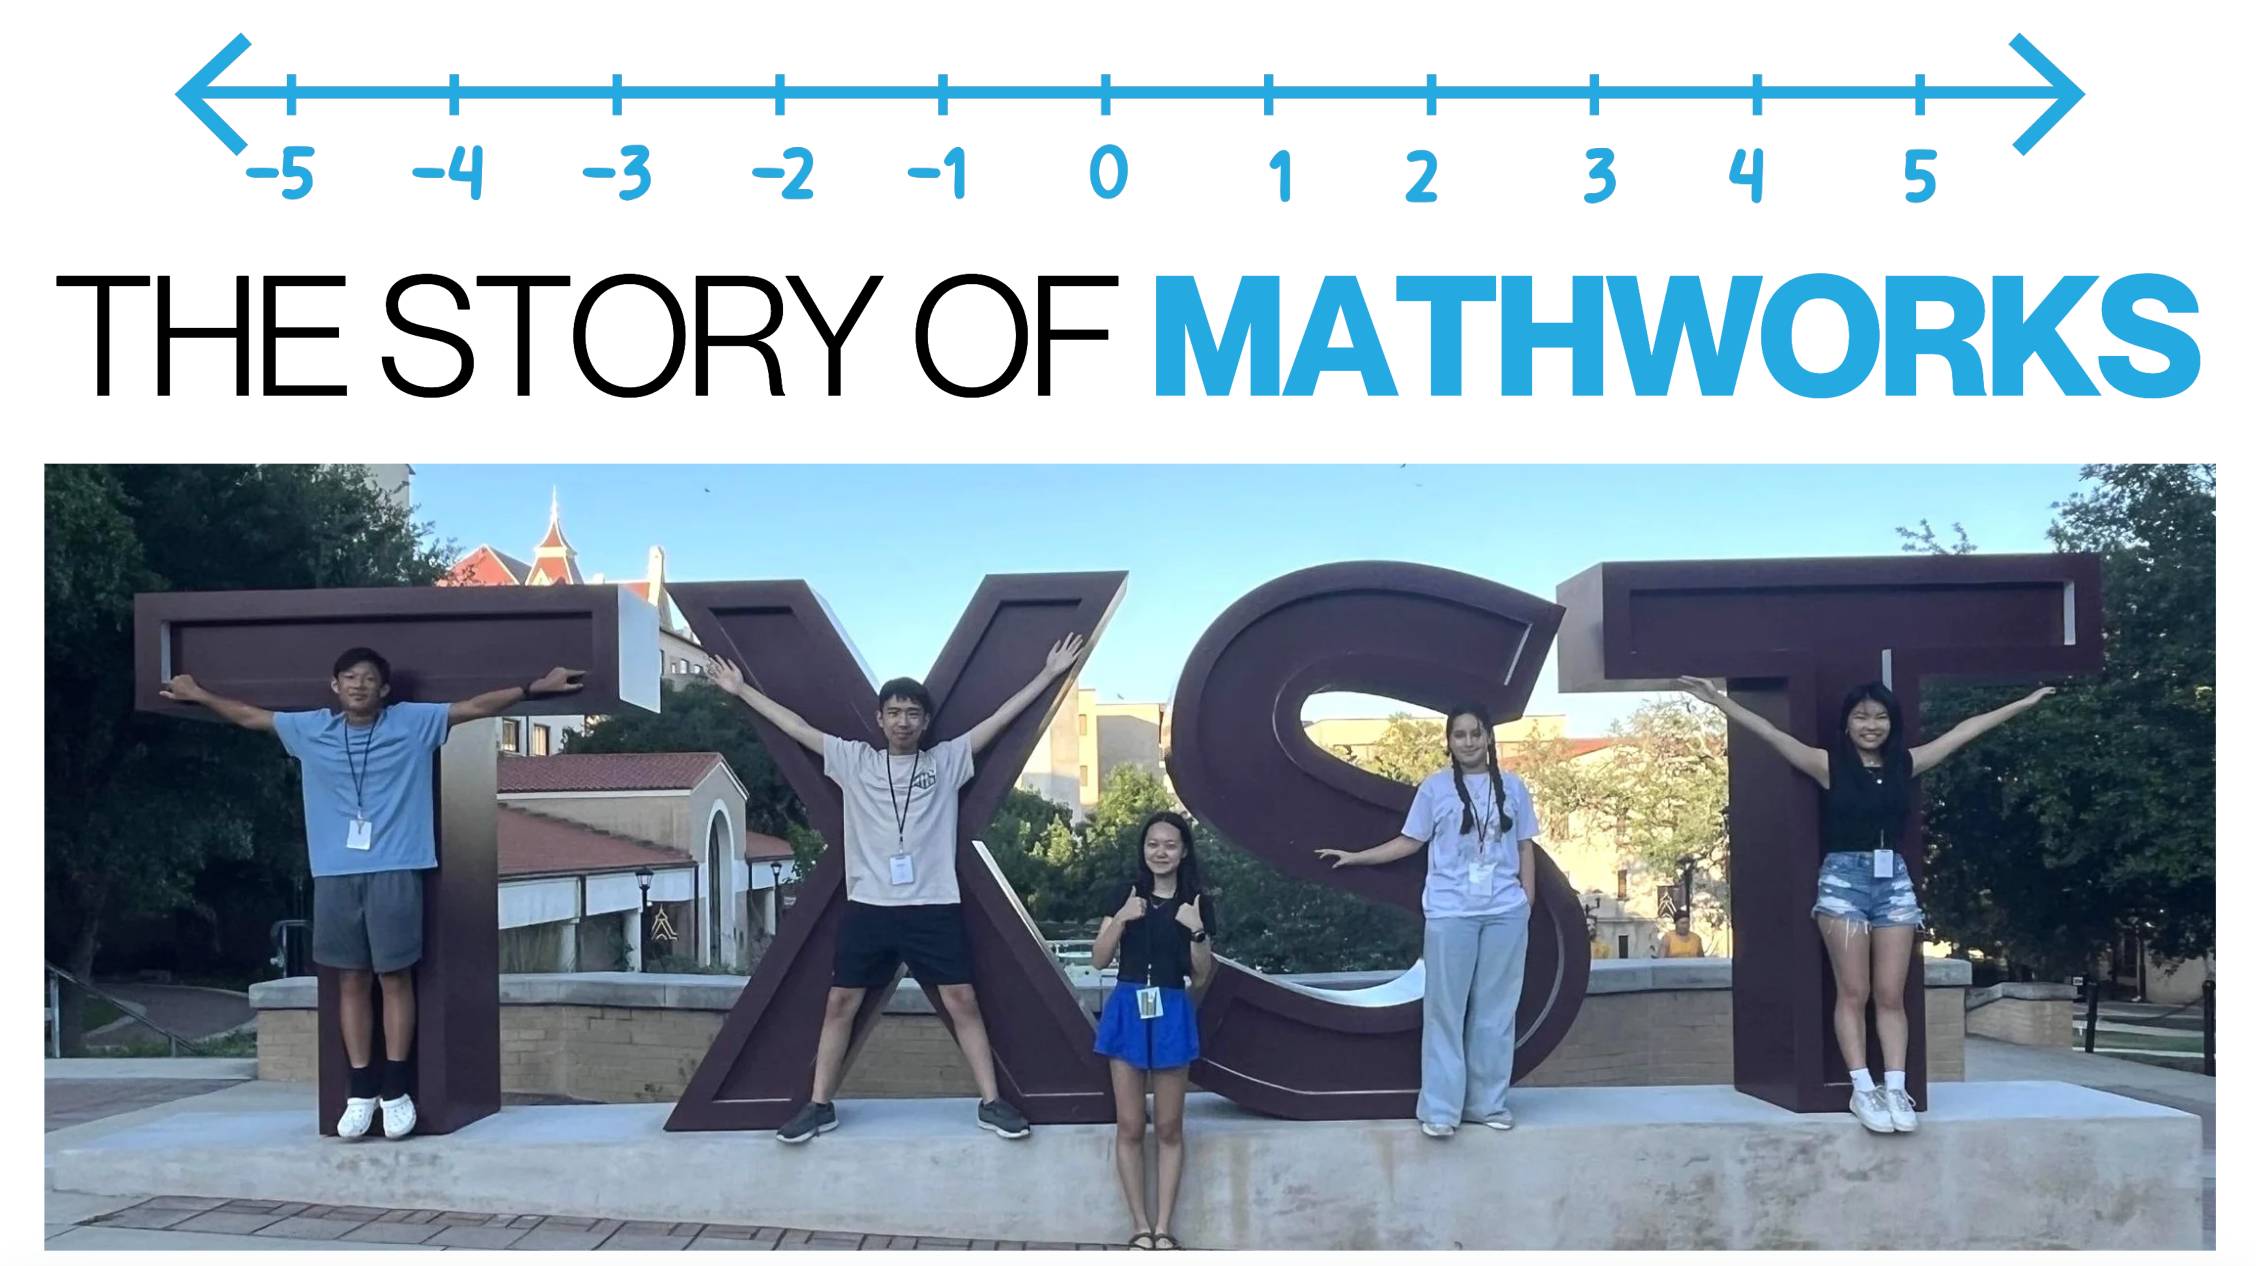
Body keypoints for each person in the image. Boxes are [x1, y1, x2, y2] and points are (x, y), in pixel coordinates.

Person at [162, 649, 585, 1141]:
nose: (359, 685)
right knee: (351, 980)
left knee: (395, 976)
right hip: (335, 873)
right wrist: (197, 695)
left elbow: (474, 707)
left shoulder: (412, 723)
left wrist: (534, 687)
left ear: (384, 689)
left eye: (368, 679)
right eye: (349, 677)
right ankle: (360, 1092)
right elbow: (249, 716)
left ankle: (397, 1090)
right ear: (335, 685)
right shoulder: (311, 730)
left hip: (397, 868)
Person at [709, 635, 1086, 1144]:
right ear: (880, 719)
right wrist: (739, 690)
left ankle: (993, 1102)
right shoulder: (855, 761)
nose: (903, 721)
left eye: (912, 713)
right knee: (840, 1003)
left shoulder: (945, 762)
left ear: (924, 723)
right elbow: (796, 727)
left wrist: (1047, 675)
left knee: (962, 1001)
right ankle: (819, 1105)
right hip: (870, 906)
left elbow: (997, 722)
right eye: (894, 712)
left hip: (933, 904)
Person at [1676, 675, 2053, 1135]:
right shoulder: (1827, 764)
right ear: (1847, 723)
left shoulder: (1904, 764)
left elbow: (1964, 732)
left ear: (1891, 723)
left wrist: (2022, 701)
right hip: (1842, 882)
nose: (1870, 725)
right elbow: (1772, 734)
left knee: (1891, 994)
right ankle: (1862, 1087)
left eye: (1880, 716)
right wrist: (1717, 701)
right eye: (1861, 716)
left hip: (1893, 883)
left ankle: (1896, 1087)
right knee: (1854, 992)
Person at [1314, 705, 1541, 1138]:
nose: (1469, 742)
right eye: (1460, 735)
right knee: (1445, 1011)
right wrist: (1357, 857)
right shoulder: (1435, 789)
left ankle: (1488, 1104)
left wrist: (1525, 901)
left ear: (1489, 738)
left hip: (1503, 913)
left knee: (1496, 1012)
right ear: (1450, 741)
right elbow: (1408, 842)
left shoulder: (1512, 787)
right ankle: (1440, 1109)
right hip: (1450, 912)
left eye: (1476, 733)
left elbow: (1526, 846)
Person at [1090, 812, 1217, 1251]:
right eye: (1152, 844)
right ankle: (1139, 1226)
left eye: (1169, 845)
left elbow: (1202, 976)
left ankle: (1164, 1228)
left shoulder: (1196, 901)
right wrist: (1122, 918)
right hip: (1128, 1005)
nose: (1160, 852)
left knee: (1168, 1126)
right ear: (1144, 849)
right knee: (1129, 1124)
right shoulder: (1125, 894)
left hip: (1171, 1008)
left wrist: (1196, 931)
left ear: (1183, 852)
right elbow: (1098, 959)